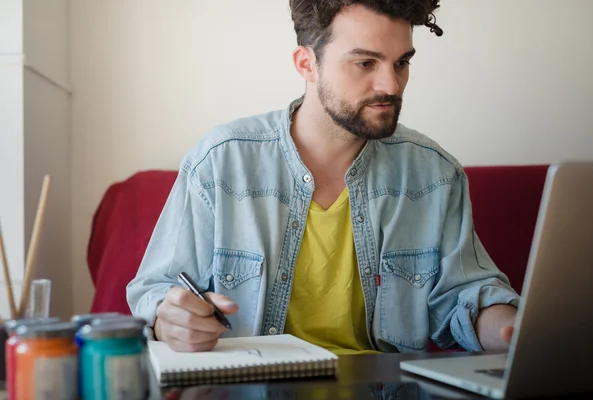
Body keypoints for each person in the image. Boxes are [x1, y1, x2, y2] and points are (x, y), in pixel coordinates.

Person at [126, 0, 520, 355]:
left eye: (401, 62)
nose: (391, 85)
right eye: (365, 63)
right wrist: (168, 321)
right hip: (250, 386)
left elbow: (465, 295)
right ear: (306, 64)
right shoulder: (221, 162)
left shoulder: (435, 174)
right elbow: (156, 291)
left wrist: (509, 327)